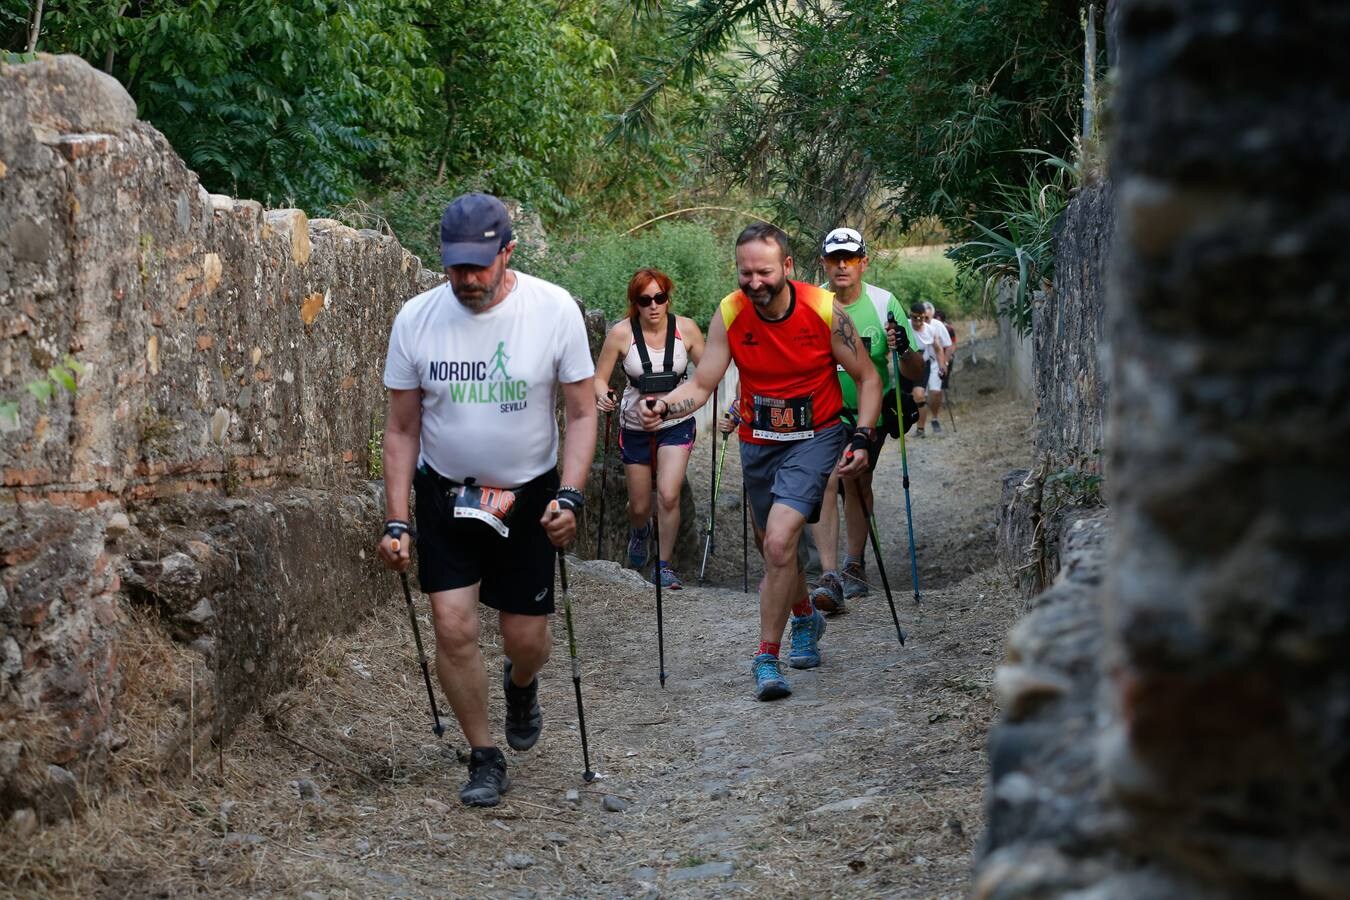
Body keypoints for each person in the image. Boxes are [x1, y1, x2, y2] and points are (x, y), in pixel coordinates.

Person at [377, 193, 597, 808]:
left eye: (480, 265)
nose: (467, 280)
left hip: (529, 495)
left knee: (526, 639)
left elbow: (580, 413)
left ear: (508, 252)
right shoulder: (415, 320)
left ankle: (522, 683)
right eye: (456, 267)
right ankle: (484, 755)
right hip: (446, 492)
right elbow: (400, 429)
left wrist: (571, 495)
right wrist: (398, 517)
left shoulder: (552, 310)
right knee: (453, 625)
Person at [637, 223, 881, 701]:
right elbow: (704, 382)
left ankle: (766, 657)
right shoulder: (730, 312)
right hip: (758, 441)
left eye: (764, 271)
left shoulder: (823, 310)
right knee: (774, 548)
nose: (754, 282)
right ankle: (806, 618)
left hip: (815, 437)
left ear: (787, 267)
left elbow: (868, 378)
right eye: (745, 272)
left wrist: (864, 437)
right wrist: (665, 406)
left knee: (777, 541)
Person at [808, 228, 924, 612]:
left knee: (856, 481)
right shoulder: (812, 304)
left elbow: (914, 371)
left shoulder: (883, 303)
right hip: (823, 412)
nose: (842, 265)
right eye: (834, 258)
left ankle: (854, 564)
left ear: (863, 262)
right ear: (823, 262)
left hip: (869, 414)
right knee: (827, 479)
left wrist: (903, 348)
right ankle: (829, 573)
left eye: (850, 258)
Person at [593, 269, 706, 589]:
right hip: (634, 425)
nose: (654, 306)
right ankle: (640, 531)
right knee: (640, 506)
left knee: (669, 495)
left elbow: (709, 371)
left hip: (676, 424)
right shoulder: (620, 334)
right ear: (635, 303)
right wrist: (603, 396)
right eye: (645, 300)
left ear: (668, 297)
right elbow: (599, 378)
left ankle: (664, 565)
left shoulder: (687, 330)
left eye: (660, 297)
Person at [920, 300, 952, 434]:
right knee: (921, 395)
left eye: (927, 317)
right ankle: (920, 426)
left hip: (935, 364)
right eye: (923, 317)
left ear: (932, 316)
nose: (924, 320)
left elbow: (948, 346)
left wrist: (945, 363)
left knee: (936, 392)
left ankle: (934, 418)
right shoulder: (915, 325)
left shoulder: (938, 326)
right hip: (920, 364)